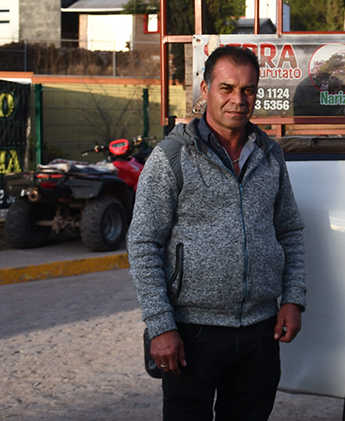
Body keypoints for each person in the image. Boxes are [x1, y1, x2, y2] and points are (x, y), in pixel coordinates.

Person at [127, 45, 306, 421]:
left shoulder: (270, 155)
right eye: (227, 88)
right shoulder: (172, 156)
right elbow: (143, 242)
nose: (238, 100)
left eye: (248, 90)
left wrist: (292, 299)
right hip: (191, 333)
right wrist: (160, 327)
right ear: (205, 89)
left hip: (260, 332)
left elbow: (289, 230)